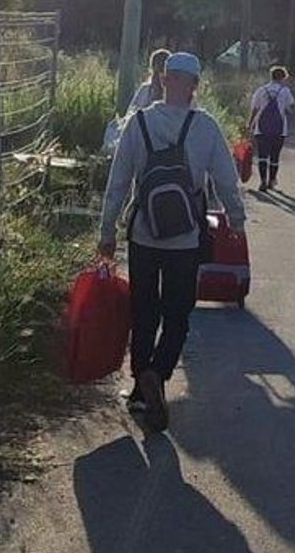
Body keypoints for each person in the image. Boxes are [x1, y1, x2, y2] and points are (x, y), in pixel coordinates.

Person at [99, 52, 246, 432]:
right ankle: (158, 376)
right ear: (194, 85)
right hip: (186, 237)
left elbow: (118, 182)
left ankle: (139, 383)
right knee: (177, 314)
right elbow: (227, 180)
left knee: (143, 310)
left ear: (164, 80)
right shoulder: (205, 126)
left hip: (144, 234)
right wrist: (237, 221)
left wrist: (106, 232)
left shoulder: (139, 122)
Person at [248, 65, 295, 193]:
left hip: (261, 128)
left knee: (262, 155)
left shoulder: (261, 90)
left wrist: (250, 124)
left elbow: (255, 108)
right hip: (280, 129)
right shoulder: (285, 91)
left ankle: (262, 180)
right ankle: (272, 180)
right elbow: (291, 107)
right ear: (283, 77)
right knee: (275, 156)